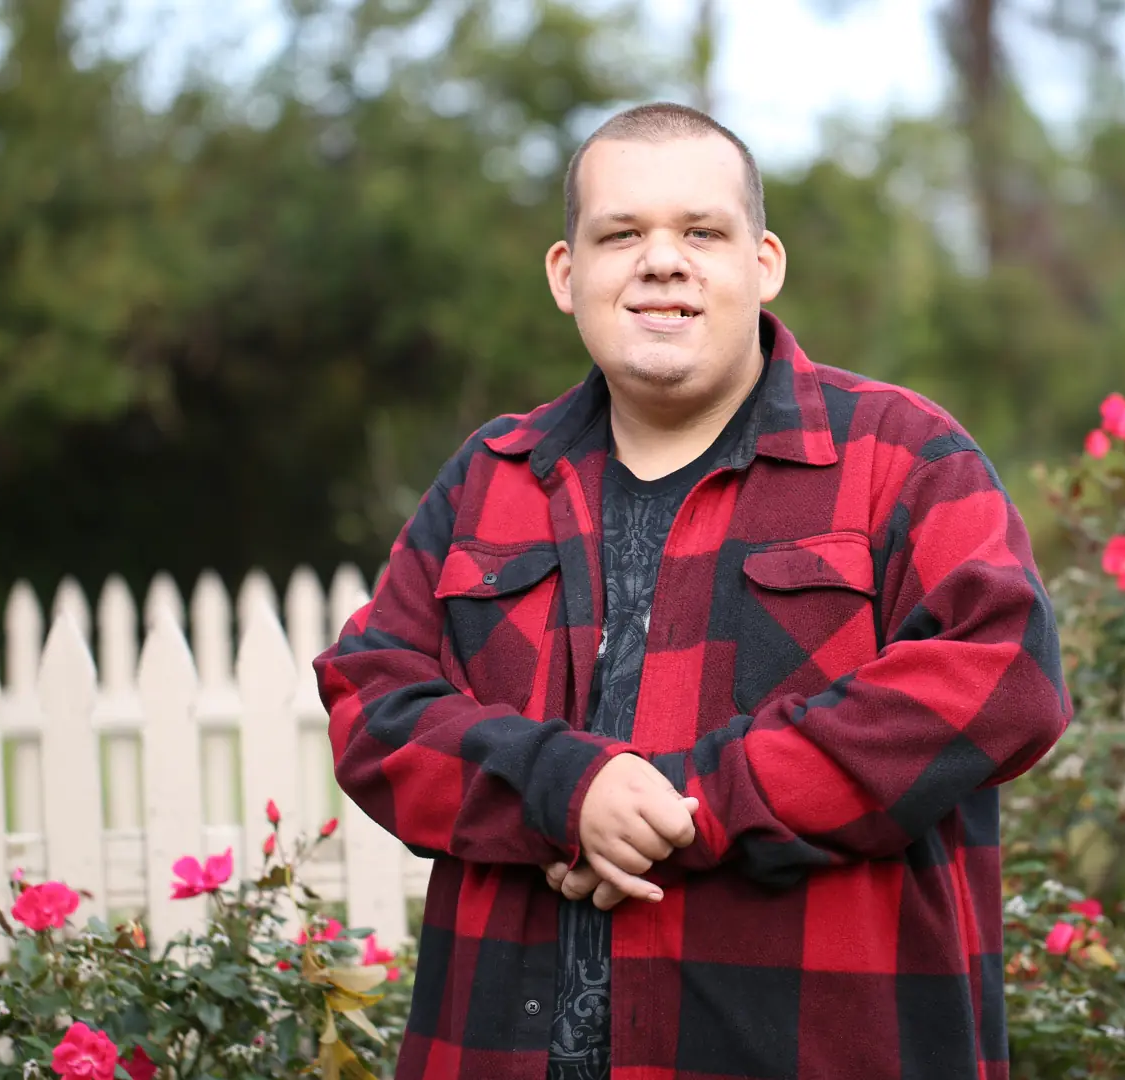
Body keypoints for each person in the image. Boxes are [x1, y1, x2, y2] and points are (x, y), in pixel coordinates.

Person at [315, 101, 1071, 1080]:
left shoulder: (900, 455)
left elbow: (1004, 672)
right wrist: (561, 789)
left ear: (763, 264)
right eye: (621, 233)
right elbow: (371, 698)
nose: (661, 261)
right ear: (566, 273)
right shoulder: (490, 478)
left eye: (700, 232)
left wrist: (692, 801)